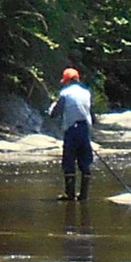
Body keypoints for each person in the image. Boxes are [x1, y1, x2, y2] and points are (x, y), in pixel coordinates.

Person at [47, 67, 95, 201]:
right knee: (85, 162)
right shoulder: (86, 93)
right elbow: (91, 113)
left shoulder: (65, 93)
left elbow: (54, 113)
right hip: (85, 129)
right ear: (77, 79)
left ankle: (70, 194)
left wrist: (51, 108)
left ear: (67, 81)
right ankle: (84, 195)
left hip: (72, 130)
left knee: (69, 162)